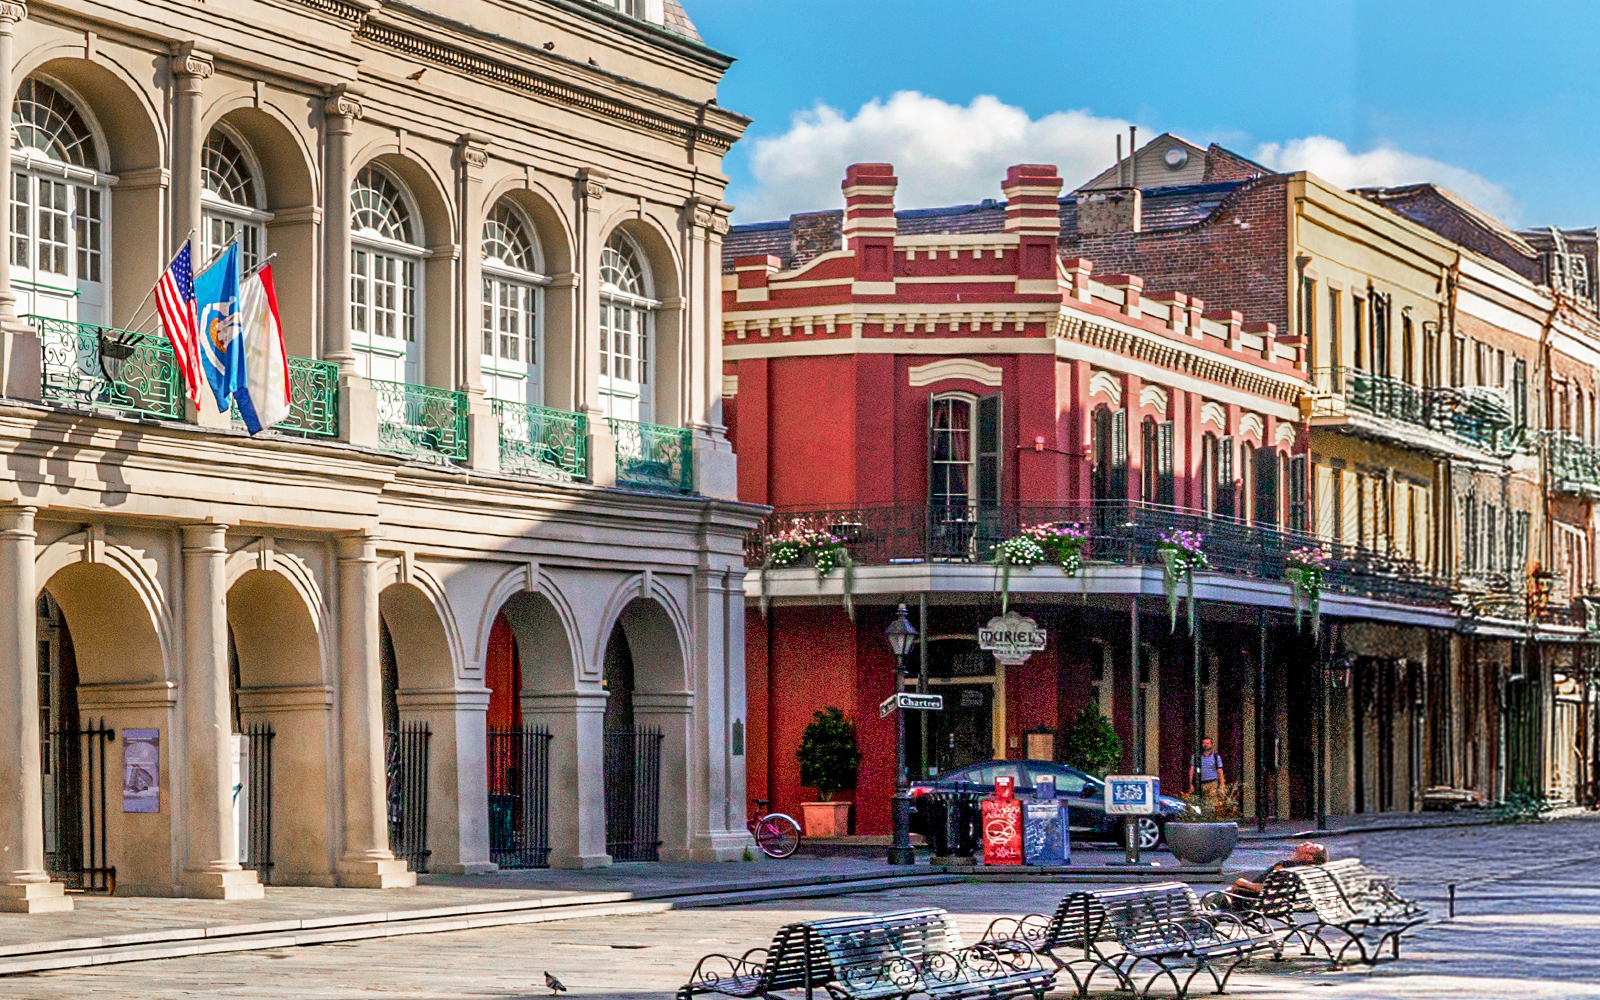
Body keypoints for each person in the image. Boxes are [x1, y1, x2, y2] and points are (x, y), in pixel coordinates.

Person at [1230, 841, 1328, 897]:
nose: (1307, 843)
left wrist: (1244, 883)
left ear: (1309, 857)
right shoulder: (1301, 869)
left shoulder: (1285, 866)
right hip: (1276, 901)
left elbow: (1266, 889)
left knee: (1222, 895)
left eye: (1311, 847)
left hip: (1251, 899)